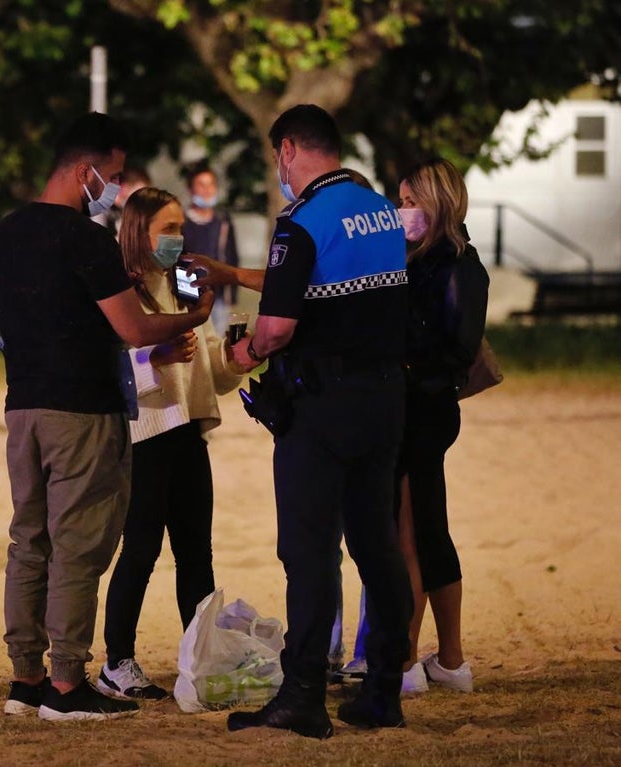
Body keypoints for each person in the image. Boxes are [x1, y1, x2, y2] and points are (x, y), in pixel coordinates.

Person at [0, 111, 215, 722]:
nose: (112, 189)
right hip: (82, 412)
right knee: (79, 546)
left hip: (22, 408)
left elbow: (5, 321)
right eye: (111, 176)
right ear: (87, 171)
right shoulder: (86, 239)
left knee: (27, 541)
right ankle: (66, 685)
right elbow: (135, 328)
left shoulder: (5, 234)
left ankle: (24, 679)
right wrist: (193, 318)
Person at [219, 104, 413, 738]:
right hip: (385, 401)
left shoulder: (300, 223)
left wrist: (243, 353)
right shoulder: (381, 209)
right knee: (377, 546)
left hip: (322, 407)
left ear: (288, 150)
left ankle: (303, 694)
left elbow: (276, 327)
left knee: (307, 550)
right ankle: (384, 690)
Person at [97, 187, 243, 701]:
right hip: (145, 436)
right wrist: (151, 361)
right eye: (170, 229)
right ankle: (117, 662)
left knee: (196, 552)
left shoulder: (184, 287)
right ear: (140, 231)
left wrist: (241, 358)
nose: (180, 239)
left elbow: (208, 371)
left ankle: (200, 658)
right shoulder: (120, 291)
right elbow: (109, 369)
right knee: (139, 550)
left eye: (182, 228)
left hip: (188, 433)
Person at [391, 158, 488, 695]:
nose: (402, 211)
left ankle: (405, 662)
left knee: (408, 534)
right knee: (428, 528)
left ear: (438, 202)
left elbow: (455, 346)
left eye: (410, 201)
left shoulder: (455, 265)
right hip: (421, 406)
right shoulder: (425, 259)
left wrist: (401, 362)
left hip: (421, 410)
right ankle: (449, 660)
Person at [183, 163, 240, 305]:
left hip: (218, 296)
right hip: (190, 295)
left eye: (211, 184)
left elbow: (232, 257)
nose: (207, 190)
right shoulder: (181, 221)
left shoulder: (223, 220)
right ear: (191, 189)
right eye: (201, 185)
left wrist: (232, 294)